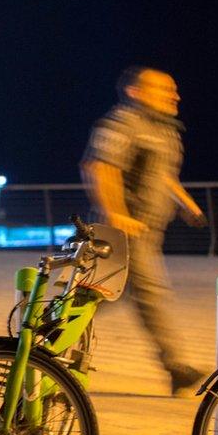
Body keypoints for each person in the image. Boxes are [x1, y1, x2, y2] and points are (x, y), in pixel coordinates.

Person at [81, 66, 209, 396]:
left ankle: (40, 345)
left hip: (149, 231)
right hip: (123, 232)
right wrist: (116, 213)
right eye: (164, 89)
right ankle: (176, 366)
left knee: (98, 297)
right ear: (135, 92)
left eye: (174, 89)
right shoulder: (122, 123)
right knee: (151, 293)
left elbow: (162, 174)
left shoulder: (162, 130)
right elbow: (101, 167)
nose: (174, 95)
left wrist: (185, 202)